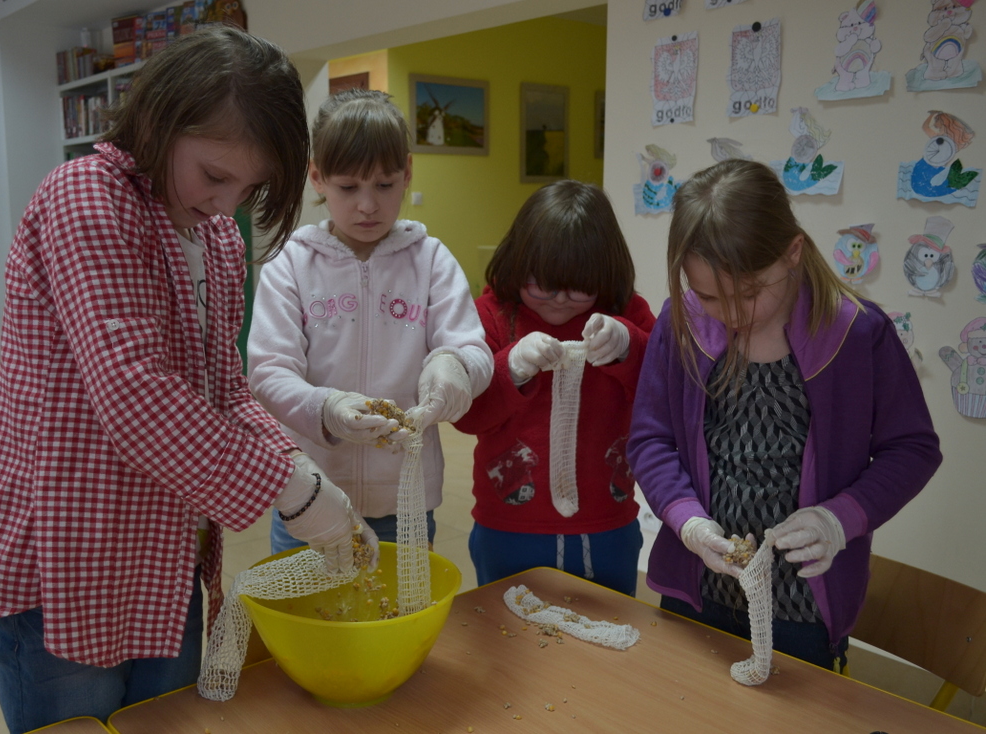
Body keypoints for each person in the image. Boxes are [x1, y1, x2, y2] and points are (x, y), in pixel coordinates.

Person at [0, 27, 370, 733]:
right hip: (66, 545)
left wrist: (302, 473)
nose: (226, 202)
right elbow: (136, 392)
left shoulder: (216, 237)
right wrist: (289, 490)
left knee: (164, 718)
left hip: (163, 548)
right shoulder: (87, 198)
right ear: (160, 121)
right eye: (214, 175)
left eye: (250, 187)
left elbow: (224, 391)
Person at [627, 159, 942, 671]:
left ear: (793, 252)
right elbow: (649, 440)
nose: (731, 315)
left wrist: (838, 519)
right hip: (697, 587)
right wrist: (688, 523)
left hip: (803, 608)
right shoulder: (682, 322)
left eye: (749, 294)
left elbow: (913, 449)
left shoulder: (858, 333)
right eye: (708, 296)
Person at [247, 88, 493, 553]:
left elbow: (473, 350)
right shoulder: (291, 264)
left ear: (407, 172)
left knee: (401, 599)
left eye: (384, 185)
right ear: (317, 178)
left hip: (406, 499)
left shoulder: (431, 260)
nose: (367, 205)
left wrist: (455, 366)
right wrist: (326, 408)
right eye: (348, 187)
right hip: (311, 497)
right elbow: (268, 372)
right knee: (312, 602)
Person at [452, 181, 656, 595]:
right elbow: (466, 415)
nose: (560, 300)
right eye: (543, 285)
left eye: (579, 286)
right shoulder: (489, 317)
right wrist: (511, 367)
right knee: (505, 627)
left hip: (607, 525)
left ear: (605, 274)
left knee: (611, 625)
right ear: (517, 264)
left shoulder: (627, 313)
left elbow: (663, 397)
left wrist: (629, 346)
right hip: (508, 527)